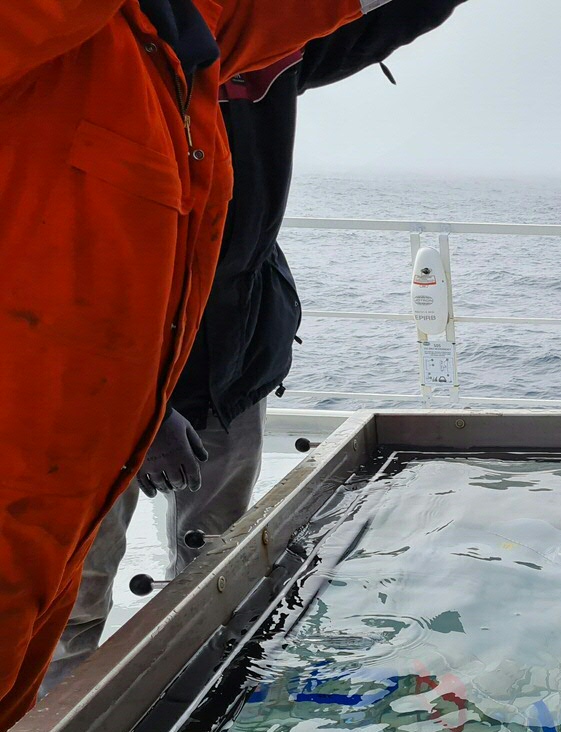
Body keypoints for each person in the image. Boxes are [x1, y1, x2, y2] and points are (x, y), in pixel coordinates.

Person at [38, 0, 471, 694]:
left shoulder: (260, 37)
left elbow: (365, 23)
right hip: (92, 379)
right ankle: (52, 708)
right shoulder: (79, 52)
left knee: (214, 568)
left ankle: (199, 692)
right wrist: (142, 409)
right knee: (70, 595)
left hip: (230, 353)